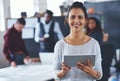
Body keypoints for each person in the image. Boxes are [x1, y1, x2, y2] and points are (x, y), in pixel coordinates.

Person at [53, 1, 103, 81]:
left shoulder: (94, 44)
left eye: (80, 17)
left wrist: (92, 72)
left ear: (85, 20)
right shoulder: (60, 45)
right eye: (72, 17)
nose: (76, 21)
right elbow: (55, 74)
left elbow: (99, 74)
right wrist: (62, 72)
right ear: (67, 20)